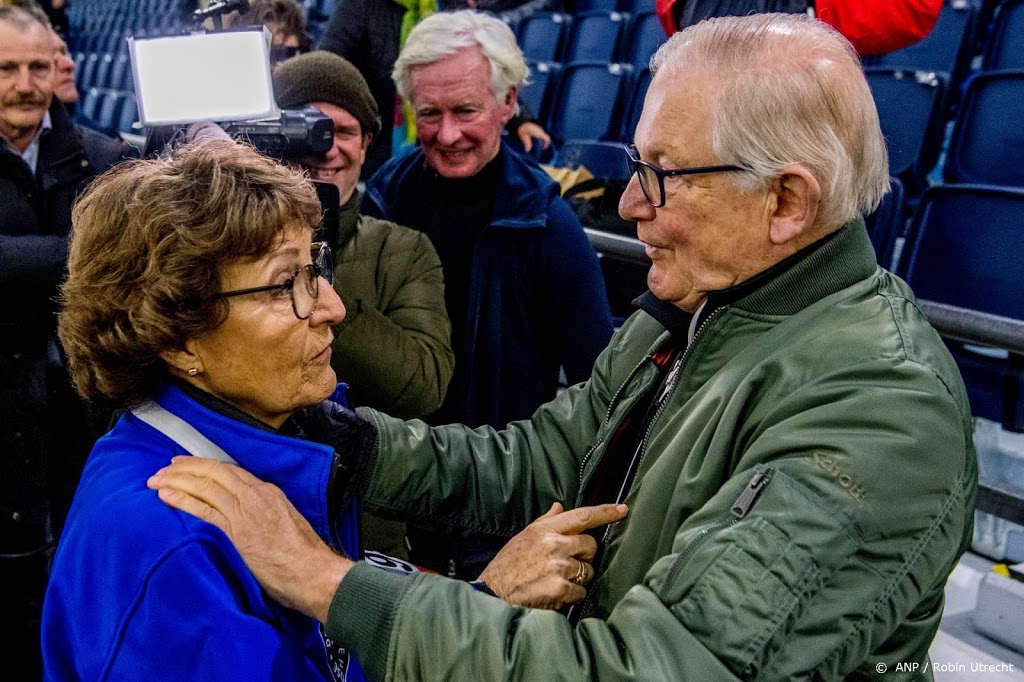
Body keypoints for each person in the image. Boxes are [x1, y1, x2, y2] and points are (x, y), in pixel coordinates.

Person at [150, 12, 978, 680]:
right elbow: (541, 461)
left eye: (663, 174)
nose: (630, 205)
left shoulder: (881, 410)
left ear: (787, 201)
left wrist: (329, 584)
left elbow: (654, 668)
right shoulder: (694, 310)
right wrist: (332, 436)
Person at [41, 137, 622, 680]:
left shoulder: (280, 442)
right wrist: (487, 607)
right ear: (177, 340)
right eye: (282, 285)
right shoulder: (167, 545)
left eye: (314, 267)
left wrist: (473, 605)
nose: (334, 308)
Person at [361, 9, 613, 576]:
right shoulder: (383, 199)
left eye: (466, 110)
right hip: (388, 498)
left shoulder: (547, 225)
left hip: (494, 518)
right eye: (430, 113)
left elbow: (599, 386)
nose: (448, 134)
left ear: (508, 102)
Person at [274, 50, 454, 558]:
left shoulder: (403, 250)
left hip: (364, 520)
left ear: (367, 142)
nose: (326, 148)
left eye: (343, 131)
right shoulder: (231, 249)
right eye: (308, 130)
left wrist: (317, 281)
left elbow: (424, 386)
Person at [0, 4, 133, 675]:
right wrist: (79, 252)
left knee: (87, 568)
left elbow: (125, 261)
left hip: (84, 407)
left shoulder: (102, 158)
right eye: (6, 69)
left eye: (38, 66)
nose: (25, 84)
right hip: (5, 409)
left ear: (59, 67)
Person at [320, 0, 552, 178]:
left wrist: (522, 119)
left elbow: (481, 73)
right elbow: (326, 71)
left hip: (430, 142)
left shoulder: (452, 4)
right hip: (377, 140)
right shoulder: (360, 5)